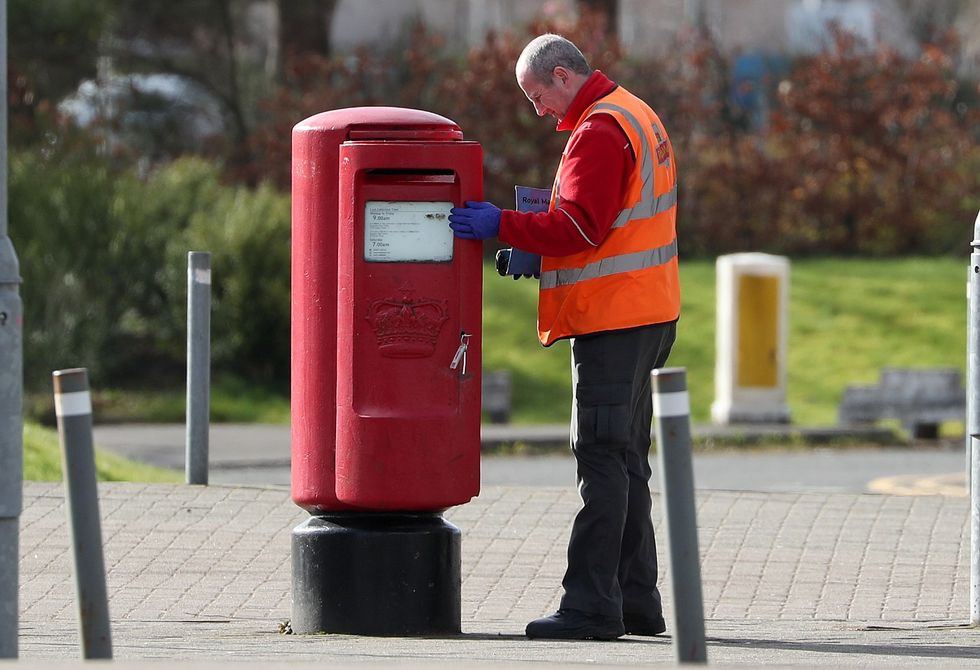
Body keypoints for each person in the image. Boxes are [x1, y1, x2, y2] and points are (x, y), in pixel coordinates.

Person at [448, 34, 680, 641]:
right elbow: (615, 225)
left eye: (537, 94)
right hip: (650, 311)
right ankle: (636, 602)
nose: (538, 109)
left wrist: (502, 223)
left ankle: (590, 608)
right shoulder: (635, 112)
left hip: (613, 319)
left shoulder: (599, 131)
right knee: (627, 460)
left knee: (601, 458)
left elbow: (579, 224)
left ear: (561, 75)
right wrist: (535, 248)